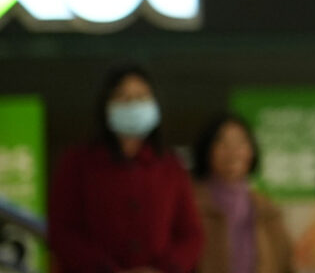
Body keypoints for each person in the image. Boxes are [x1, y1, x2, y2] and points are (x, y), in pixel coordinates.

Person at [48, 64, 204, 273]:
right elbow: (63, 231)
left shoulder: (171, 165)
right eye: (123, 97)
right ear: (106, 105)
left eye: (141, 97)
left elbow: (191, 234)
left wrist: (164, 270)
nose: (132, 104)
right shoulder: (77, 162)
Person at [193, 113, 294, 273]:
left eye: (240, 143)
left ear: (251, 151)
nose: (232, 152)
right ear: (207, 150)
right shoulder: (191, 205)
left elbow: (285, 264)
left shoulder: (268, 209)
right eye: (223, 143)